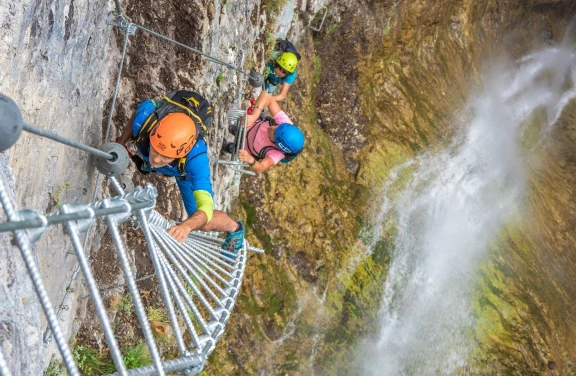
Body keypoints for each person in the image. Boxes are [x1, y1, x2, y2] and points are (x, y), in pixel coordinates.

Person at [116, 90, 244, 254]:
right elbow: (135, 119)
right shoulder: (146, 115)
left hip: (184, 175)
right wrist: (122, 142)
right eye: (156, 150)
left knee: (203, 221)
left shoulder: (196, 159)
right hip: (171, 159)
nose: (156, 159)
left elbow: (206, 207)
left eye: (165, 157)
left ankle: (235, 228)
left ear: (182, 153)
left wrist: (187, 226)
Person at [224, 91, 305, 175]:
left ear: (277, 145)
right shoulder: (284, 123)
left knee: (236, 150)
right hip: (250, 126)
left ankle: (234, 147)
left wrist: (250, 160)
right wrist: (254, 116)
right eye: (277, 127)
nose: (272, 128)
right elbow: (266, 96)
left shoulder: (276, 154)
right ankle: (237, 130)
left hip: (246, 148)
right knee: (241, 128)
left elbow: (261, 168)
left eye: (274, 133)